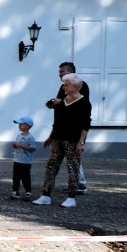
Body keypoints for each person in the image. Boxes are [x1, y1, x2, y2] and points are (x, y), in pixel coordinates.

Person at [33, 73, 90, 208]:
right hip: (57, 139)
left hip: (72, 140)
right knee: (51, 166)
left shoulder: (84, 102)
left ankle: (71, 197)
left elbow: (85, 124)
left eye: (66, 84)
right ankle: (45, 195)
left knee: (72, 168)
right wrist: (50, 137)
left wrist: (81, 142)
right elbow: (57, 122)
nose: (63, 87)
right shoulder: (62, 102)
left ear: (75, 86)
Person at [46, 62, 89, 193]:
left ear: (71, 72)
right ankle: (47, 191)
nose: (60, 74)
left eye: (62, 71)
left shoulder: (82, 86)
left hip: (73, 132)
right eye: (59, 72)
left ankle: (78, 187)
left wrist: (81, 141)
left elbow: (81, 111)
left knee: (73, 160)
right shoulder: (63, 86)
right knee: (54, 163)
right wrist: (54, 105)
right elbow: (61, 109)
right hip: (60, 131)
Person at [10, 116, 36, 201]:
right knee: (16, 176)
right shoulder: (19, 136)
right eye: (19, 124)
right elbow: (18, 145)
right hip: (17, 159)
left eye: (21, 124)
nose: (19, 126)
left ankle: (28, 192)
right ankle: (15, 191)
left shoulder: (30, 137)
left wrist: (21, 146)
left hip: (26, 161)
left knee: (25, 177)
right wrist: (15, 146)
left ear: (28, 126)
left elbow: (33, 148)